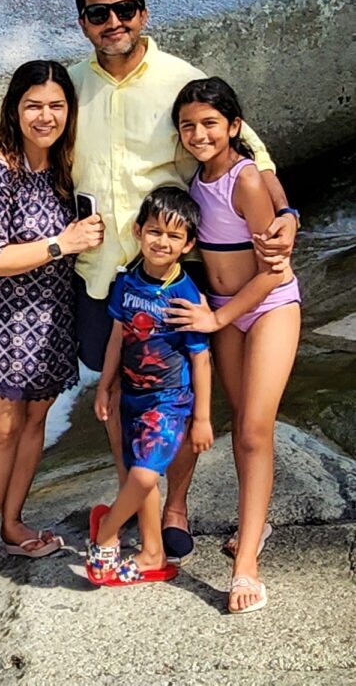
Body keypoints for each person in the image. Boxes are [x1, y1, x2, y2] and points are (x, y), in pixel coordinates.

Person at [0, 0, 298, 562]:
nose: (112, 22)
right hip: (95, 275)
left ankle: (173, 507)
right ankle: (134, 497)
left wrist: (286, 211)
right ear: (83, 21)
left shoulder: (179, 79)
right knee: (121, 394)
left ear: (142, 12)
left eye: (123, 10)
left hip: (168, 269)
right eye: (97, 13)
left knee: (181, 395)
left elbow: (246, 145)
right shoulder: (72, 88)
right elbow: (21, 141)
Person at [0, 60, 104, 587]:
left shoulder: (65, 163)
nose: (45, 116)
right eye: (34, 105)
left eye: (56, 106)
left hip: (51, 315)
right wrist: (64, 243)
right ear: (14, 110)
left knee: (34, 425)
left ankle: (13, 524)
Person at [165, 77, 301, 613]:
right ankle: (255, 526)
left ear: (234, 128)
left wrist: (218, 316)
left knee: (251, 430)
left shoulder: (245, 181)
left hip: (267, 308)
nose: (199, 134)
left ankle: (246, 565)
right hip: (225, 315)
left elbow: (274, 271)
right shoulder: (196, 181)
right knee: (241, 421)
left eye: (210, 124)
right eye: (188, 125)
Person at [86, 187, 212, 585]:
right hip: (131, 395)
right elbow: (116, 339)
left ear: (188, 244)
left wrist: (202, 418)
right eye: (155, 231)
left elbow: (201, 358)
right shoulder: (126, 284)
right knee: (134, 471)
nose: (162, 241)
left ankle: (107, 531)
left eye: (174, 236)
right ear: (139, 231)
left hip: (170, 401)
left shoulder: (185, 295)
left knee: (144, 475)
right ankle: (152, 553)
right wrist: (104, 387)